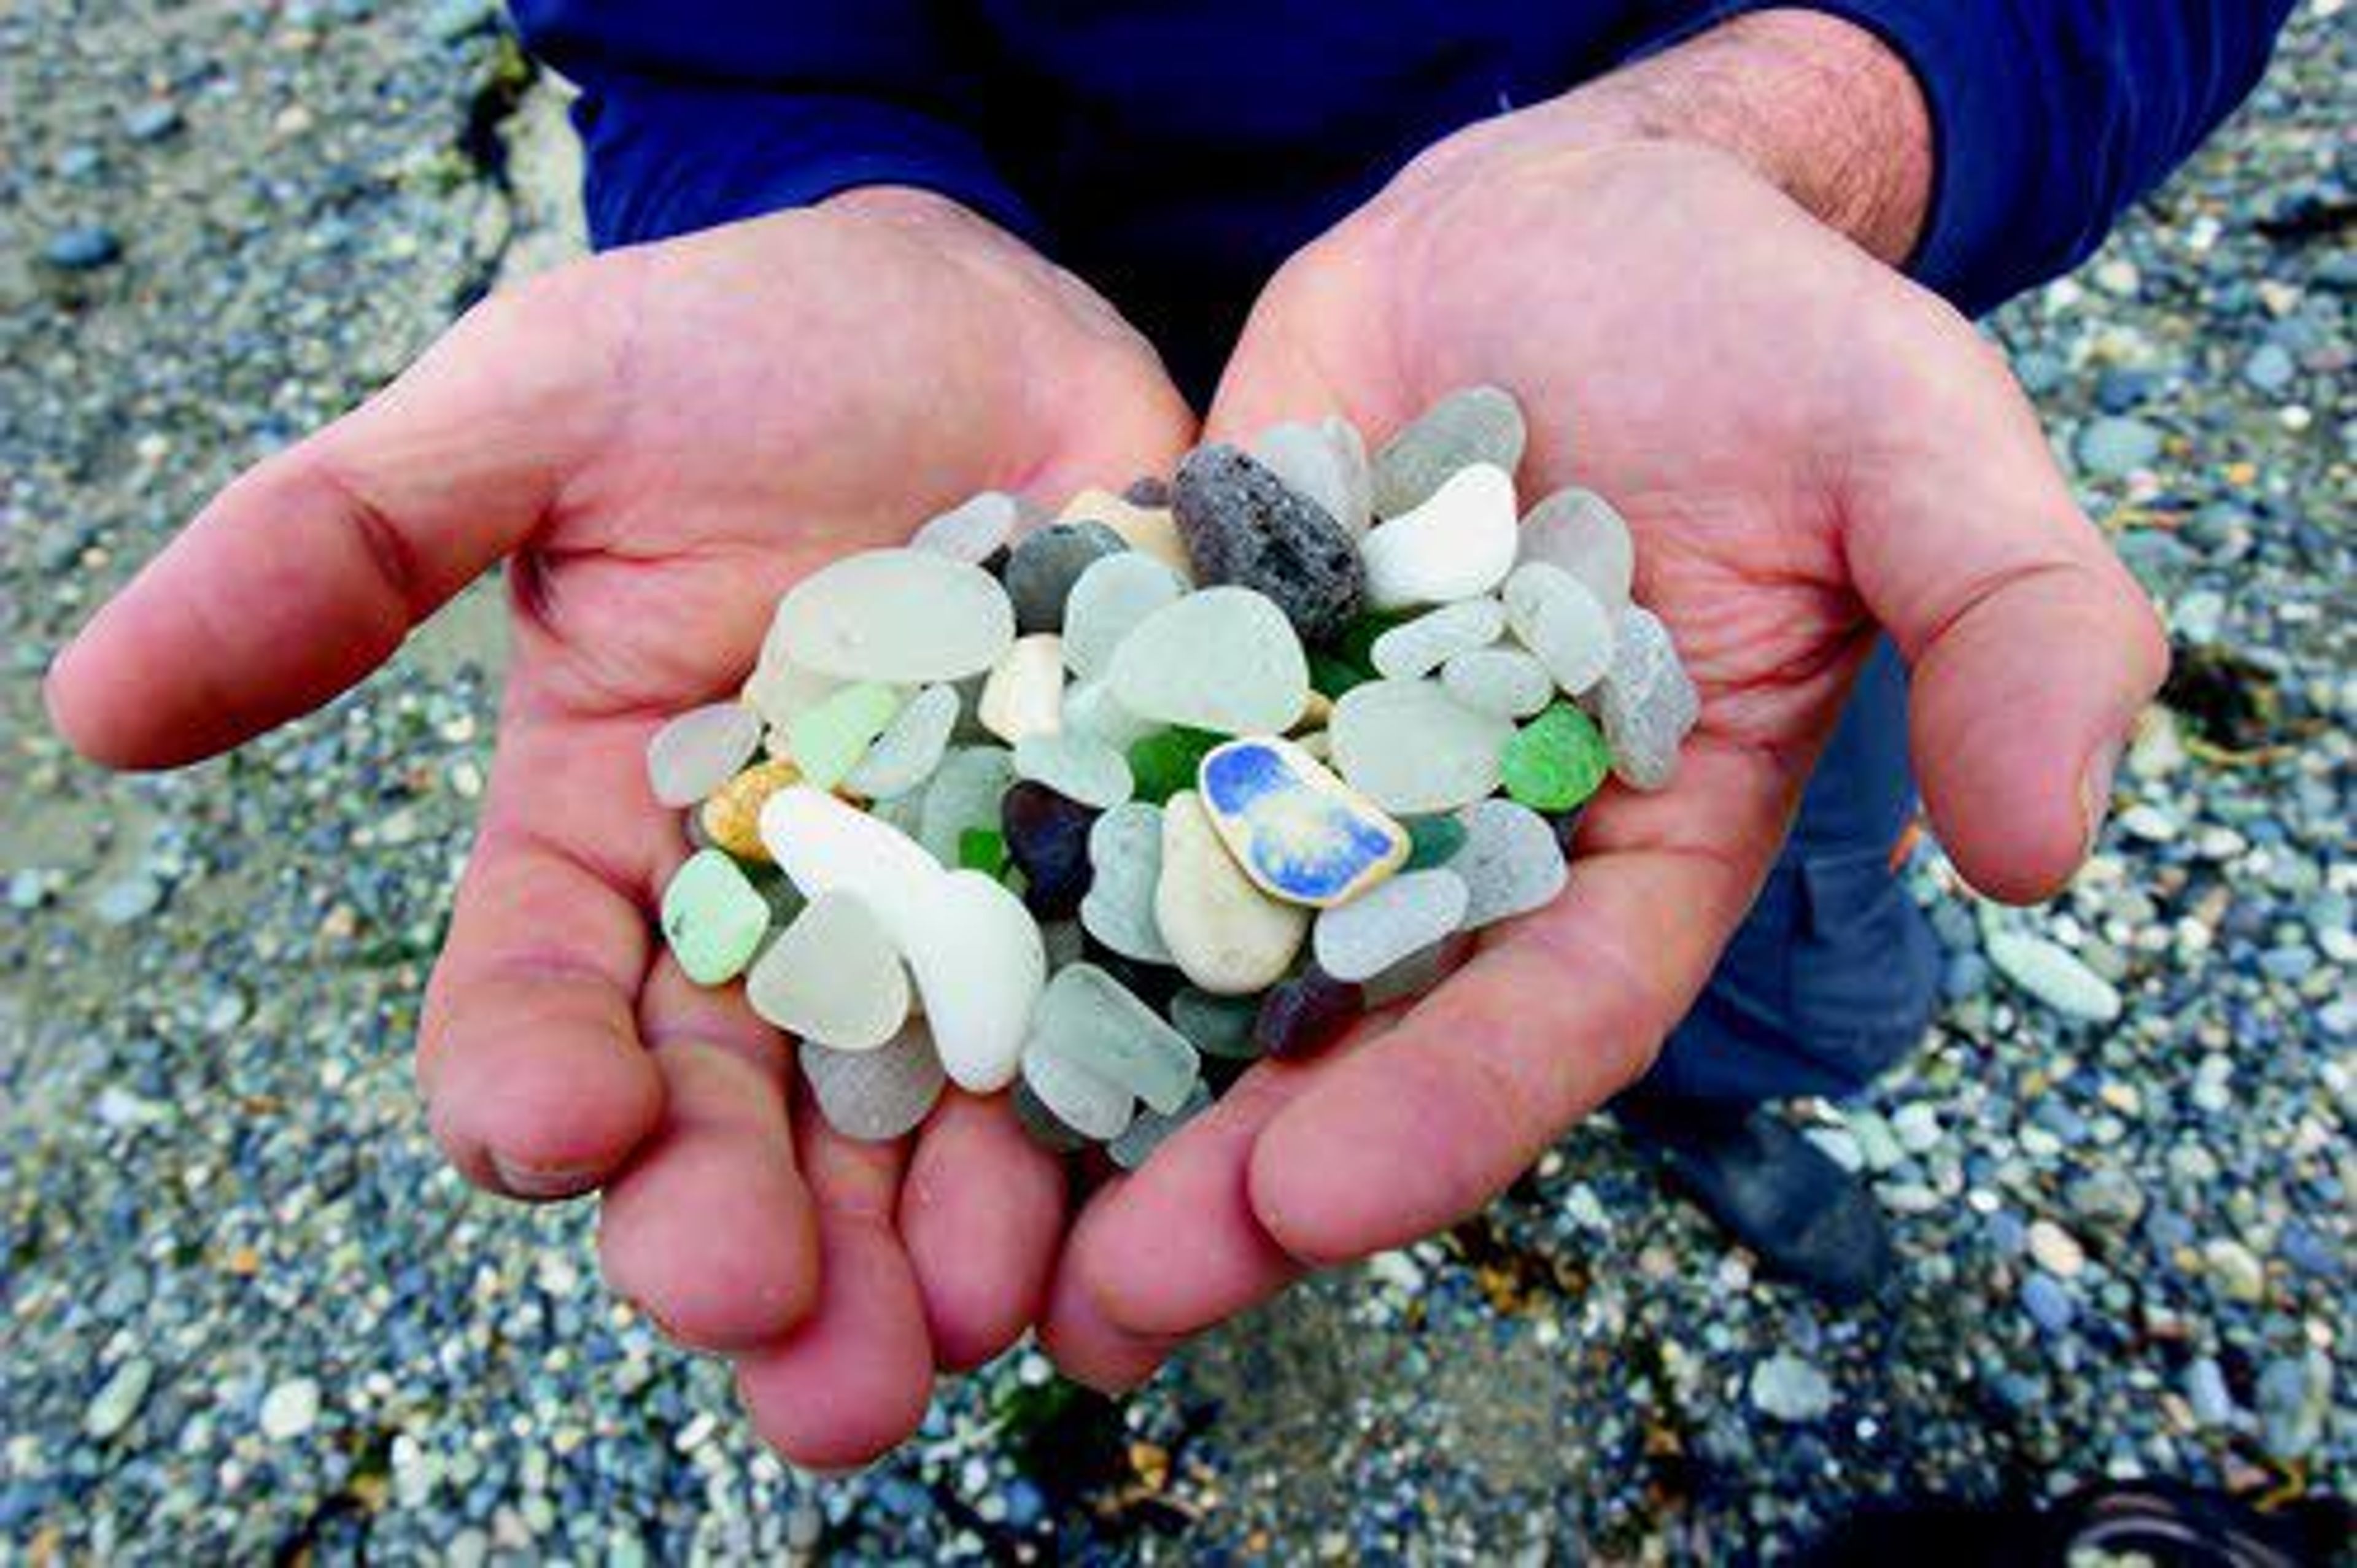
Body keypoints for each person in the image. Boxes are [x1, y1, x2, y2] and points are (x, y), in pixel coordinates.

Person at [45, 3, 2293, 1468]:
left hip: (1721, 453)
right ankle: (1205, 1173)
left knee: (1778, 919)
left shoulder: (1602, 565)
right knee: (1208, 1066)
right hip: (1002, 394)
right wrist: (826, 210)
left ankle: (1726, 1097)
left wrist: (1814, 125)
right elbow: (688, 28)